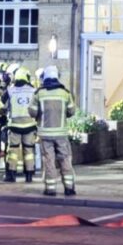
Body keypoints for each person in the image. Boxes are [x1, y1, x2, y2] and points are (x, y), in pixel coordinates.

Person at [31, 67, 77, 196]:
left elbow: (32, 111)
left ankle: (50, 188)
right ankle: (69, 187)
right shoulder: (65, 93)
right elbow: (71, 111)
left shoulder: (39, 93)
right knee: (65, 159)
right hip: (61, 134)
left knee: (49, 161)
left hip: (45, 134)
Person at [3, 68, 38, 184]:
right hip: (30, 125)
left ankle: (11, 175)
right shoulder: (33, 91)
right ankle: (29, 176)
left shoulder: (10, 90)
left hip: (15, 126)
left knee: (13, 151)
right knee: (29, 151)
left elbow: (2, 104)